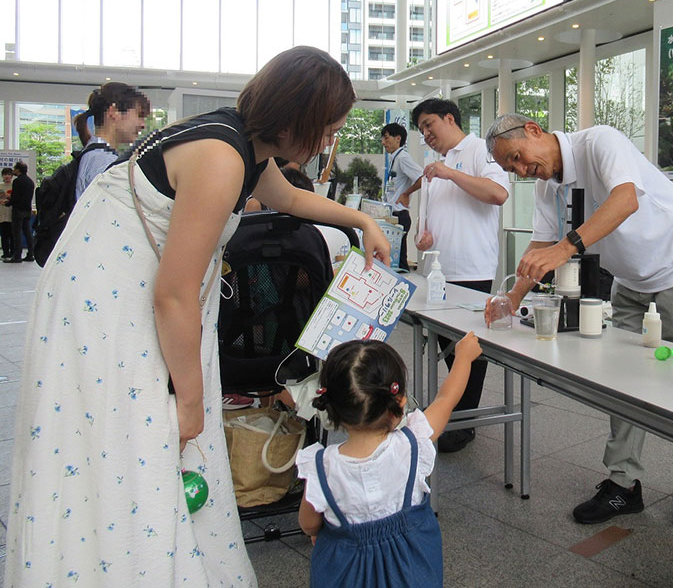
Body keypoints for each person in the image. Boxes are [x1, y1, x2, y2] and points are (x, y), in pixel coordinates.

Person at [6, 46, 391, 587]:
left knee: (145, 442)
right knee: (143, 439)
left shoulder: (242, 145)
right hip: (111, 309)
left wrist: (361, 222)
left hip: (123, 297)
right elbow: (174, 295)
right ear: (297, 117)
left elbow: (291, 199)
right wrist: (190, 399)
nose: (328, 142)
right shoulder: (221, 157)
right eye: (327, 128)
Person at [483, 113, 673, 528]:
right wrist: (509, 298)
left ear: (535, 131)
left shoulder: (599, 142)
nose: (522, 170)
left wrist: (566, 246)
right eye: (512, 169)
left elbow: (625, 199)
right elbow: (540, 244)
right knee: (621, 383)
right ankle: (624, 484)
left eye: (518, 158)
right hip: (629, 278)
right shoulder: (546, 187)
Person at [297, 332, 482, 587]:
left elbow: (308, 523)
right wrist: (463, 357)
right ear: (399, 403)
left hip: (343, 570)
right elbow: (446, 399)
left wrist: (321, 532)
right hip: (411, 567)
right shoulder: (412, 444)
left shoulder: (321, 466)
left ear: (332, 407)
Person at [411, 98, 509, 453]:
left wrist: (451, 173)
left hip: (471, 268)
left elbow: (498, 194)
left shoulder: (480, 150)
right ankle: (449, 411)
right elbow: (433, 221)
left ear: (449, 118)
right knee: (447, 348)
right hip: (437, 270)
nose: (426, 134)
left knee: (467, 349)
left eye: (429, 125)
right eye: (421, 130)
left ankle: (464, 420)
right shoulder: (434, 165)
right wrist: (424, 237)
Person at [74, 82, 151, 199]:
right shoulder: (104, 161)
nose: (143, 125)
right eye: (139, 115)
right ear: (113, 112)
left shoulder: (94, 155)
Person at [380, 122, 423, 271]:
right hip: (392, 214)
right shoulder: (394, 158)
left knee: (399, 262)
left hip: (400, 215)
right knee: (393, 260)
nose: (383, 142)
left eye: (386, 138)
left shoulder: (403, 157)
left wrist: (407, 193)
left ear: (398, 139)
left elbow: (422, 178)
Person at [5, 161, 34, 263]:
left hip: (18, 210)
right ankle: (31, 254)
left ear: (18, 170)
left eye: (15, 169)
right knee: (27, 232)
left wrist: (7, 203)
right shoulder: (30, 181)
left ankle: (17, 256)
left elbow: (16, 197)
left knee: (17, 233)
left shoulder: (17, 181)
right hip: (27, 210)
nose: (13, 171)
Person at [0, 167, 12, 260]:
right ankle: (5, 252)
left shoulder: (15, 185)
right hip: (2, 213)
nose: (7, 176)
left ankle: (13, 251)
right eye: (5, 174)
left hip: (12, 213)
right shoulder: (0, 186)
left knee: (12, 235)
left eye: (9, 174)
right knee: (4, 235)